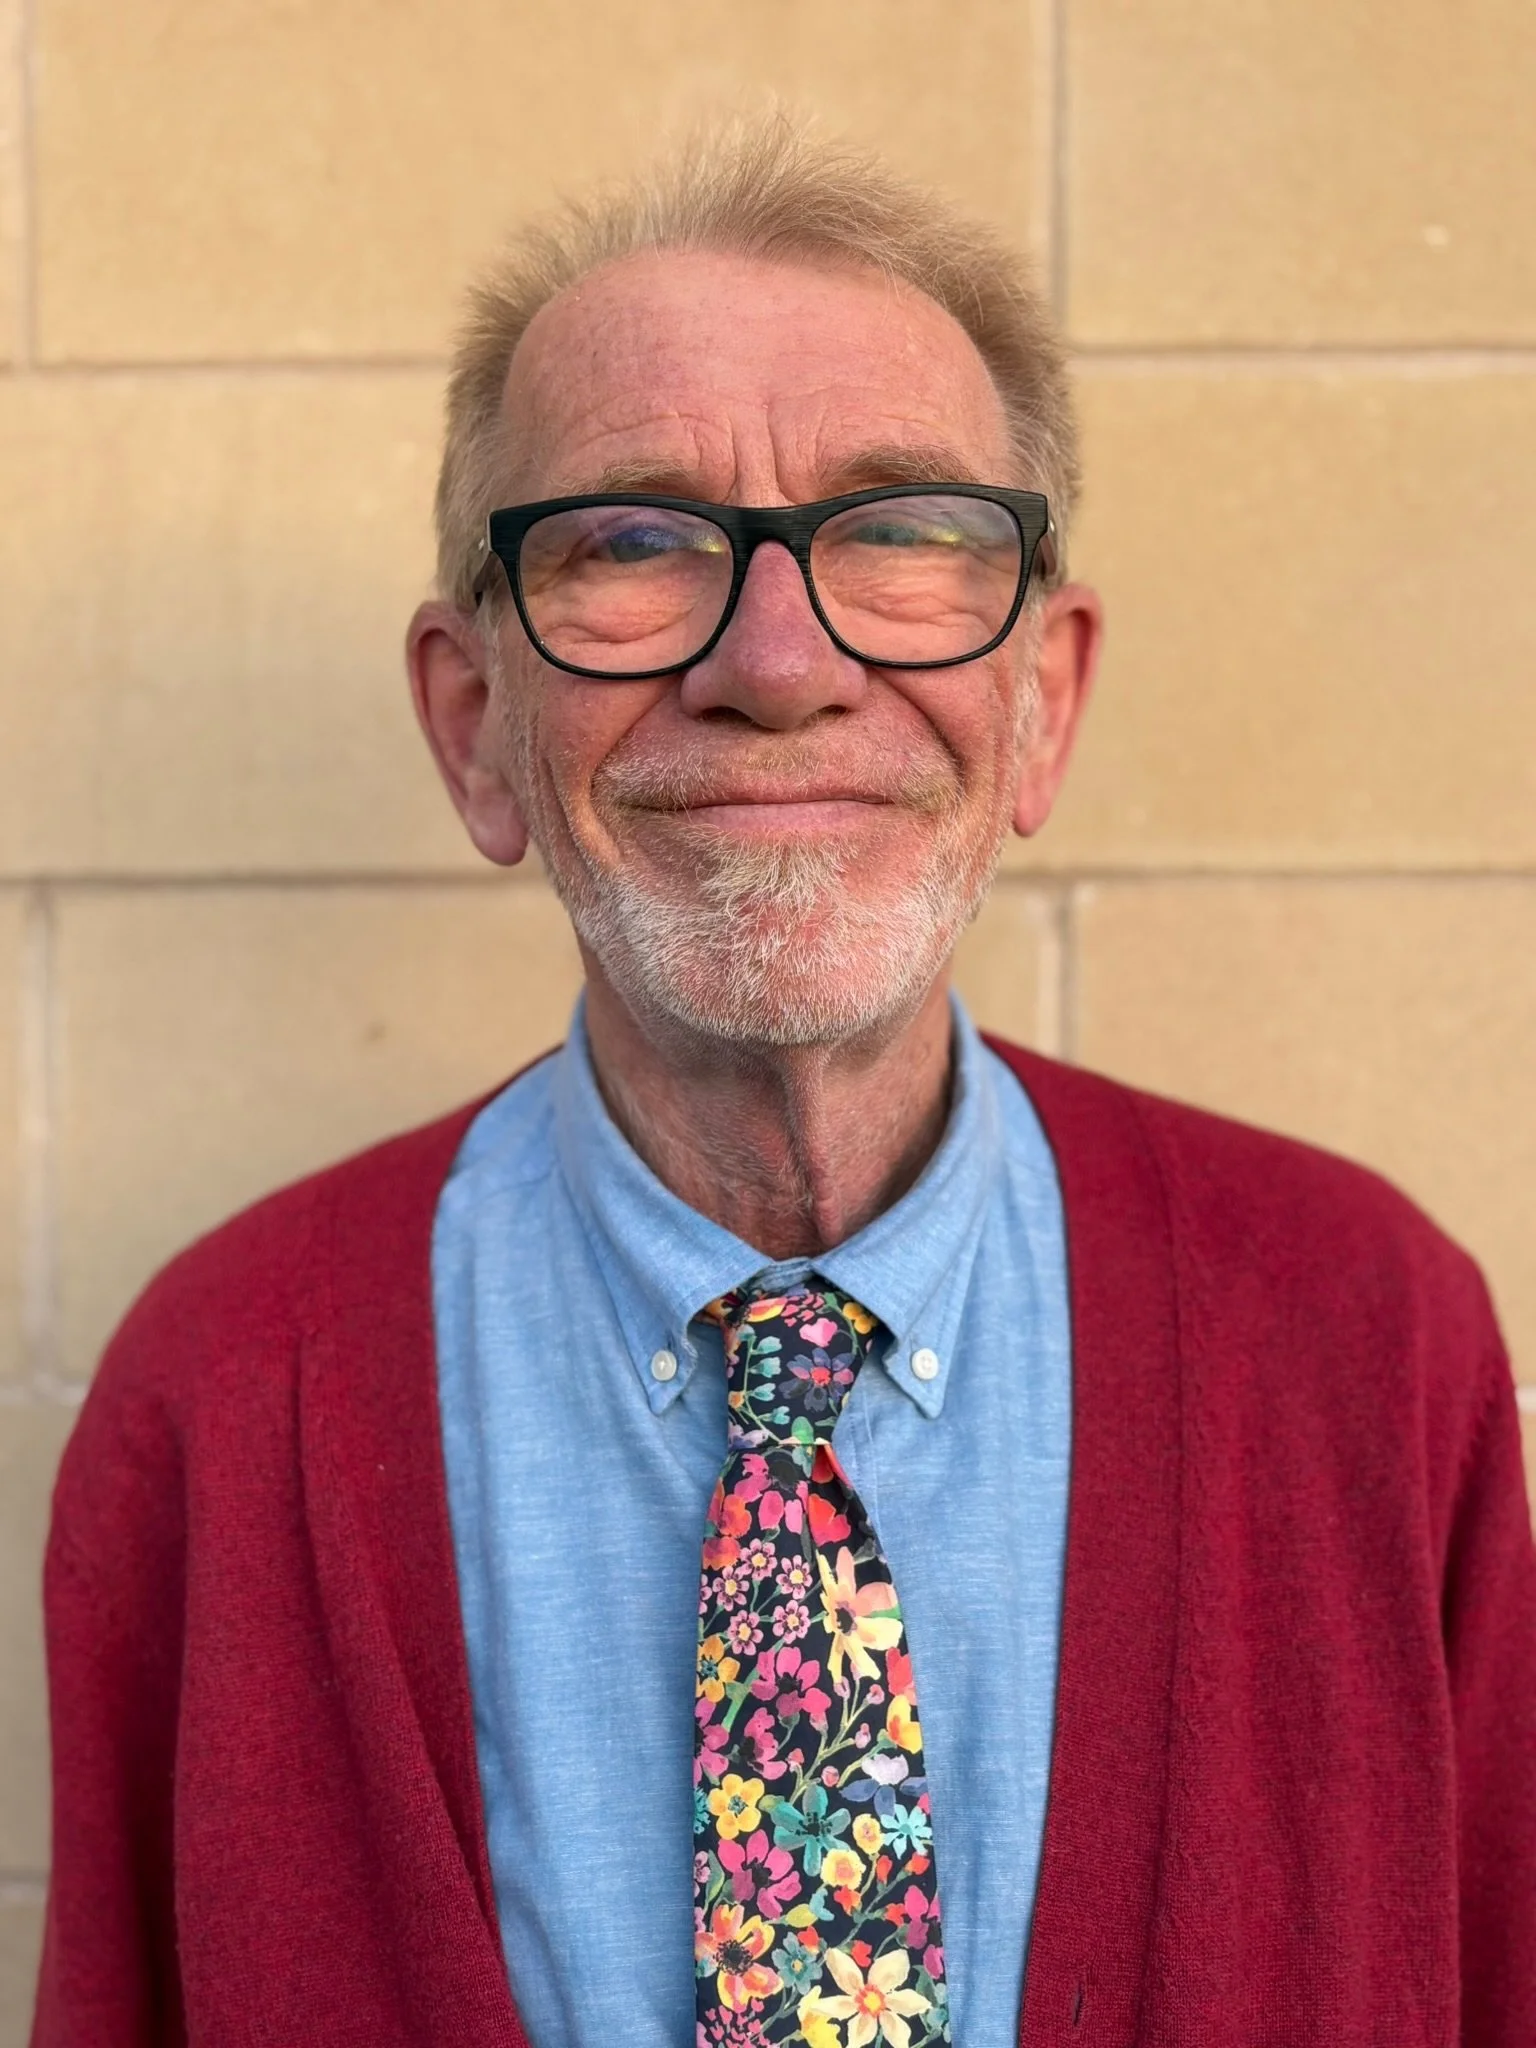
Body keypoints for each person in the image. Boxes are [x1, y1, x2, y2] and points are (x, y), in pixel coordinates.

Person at [31, 118, 1536, 2048]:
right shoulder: (223, 1398)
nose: (778, 659)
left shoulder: (1362, 1333)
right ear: (476, 725)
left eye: (902, 536)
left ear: (1044, 704)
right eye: (632, 547)